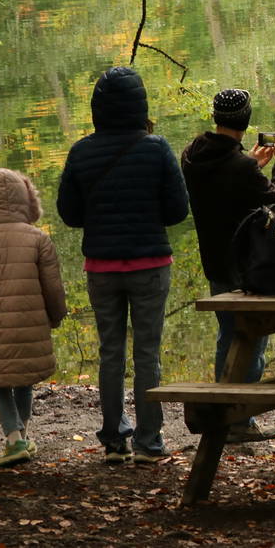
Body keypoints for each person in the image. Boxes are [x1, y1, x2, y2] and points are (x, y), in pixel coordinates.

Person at [57, 66, 189, 465]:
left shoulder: (81, 152)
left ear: (97, 108)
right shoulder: (157, 147)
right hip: (150, 264)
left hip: (101, 267)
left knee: (110, 353)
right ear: (140, 105)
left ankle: (114, 441)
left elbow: (70, 214)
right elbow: (178, 211)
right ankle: (149, 443)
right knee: (147, 354)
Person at [180, 88, 275, 443]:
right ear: (245, 119)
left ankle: (224, 416)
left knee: (228, 336)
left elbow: (225, 185)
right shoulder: (241, 167)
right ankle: (239, 420)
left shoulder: (192, 156)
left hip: (214, 262)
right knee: (252, 341)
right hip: (246, 265)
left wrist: (253, 165)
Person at [0, 168, 68, 468]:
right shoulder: (38, 239)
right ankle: (23, 434)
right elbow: (53, 287)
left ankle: (14, 438)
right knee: (24, 377)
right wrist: (56, 316)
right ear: (27, 200)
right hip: (29, 325)